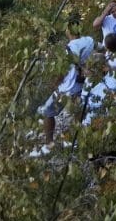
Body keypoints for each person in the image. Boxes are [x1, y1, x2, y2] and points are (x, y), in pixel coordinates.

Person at [35, 16, 95, 150]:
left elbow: (62, 71)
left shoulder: (69, 48)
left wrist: (55, 84)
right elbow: (99, 50)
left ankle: (49, 143)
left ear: (68, 30)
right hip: (84, 84)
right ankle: (78, 141)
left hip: (68, 86)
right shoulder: (89, 41)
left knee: (48, 111)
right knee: (78, 114)